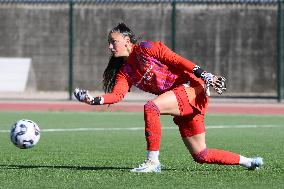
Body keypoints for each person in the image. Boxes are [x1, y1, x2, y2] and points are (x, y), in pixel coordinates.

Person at [74, 23, 263, 173]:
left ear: (126, 39)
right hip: (181, 101)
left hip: (191, 88)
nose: (110, 46)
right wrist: (94, 99)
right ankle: (248, 161)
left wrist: (206, 75)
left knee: (151, 107)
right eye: (109, 42)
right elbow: (117, 95)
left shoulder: (146, 48)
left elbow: (176, 60)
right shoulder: (125, 72)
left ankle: (152, 162)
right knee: (201, 155)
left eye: (113, 41)